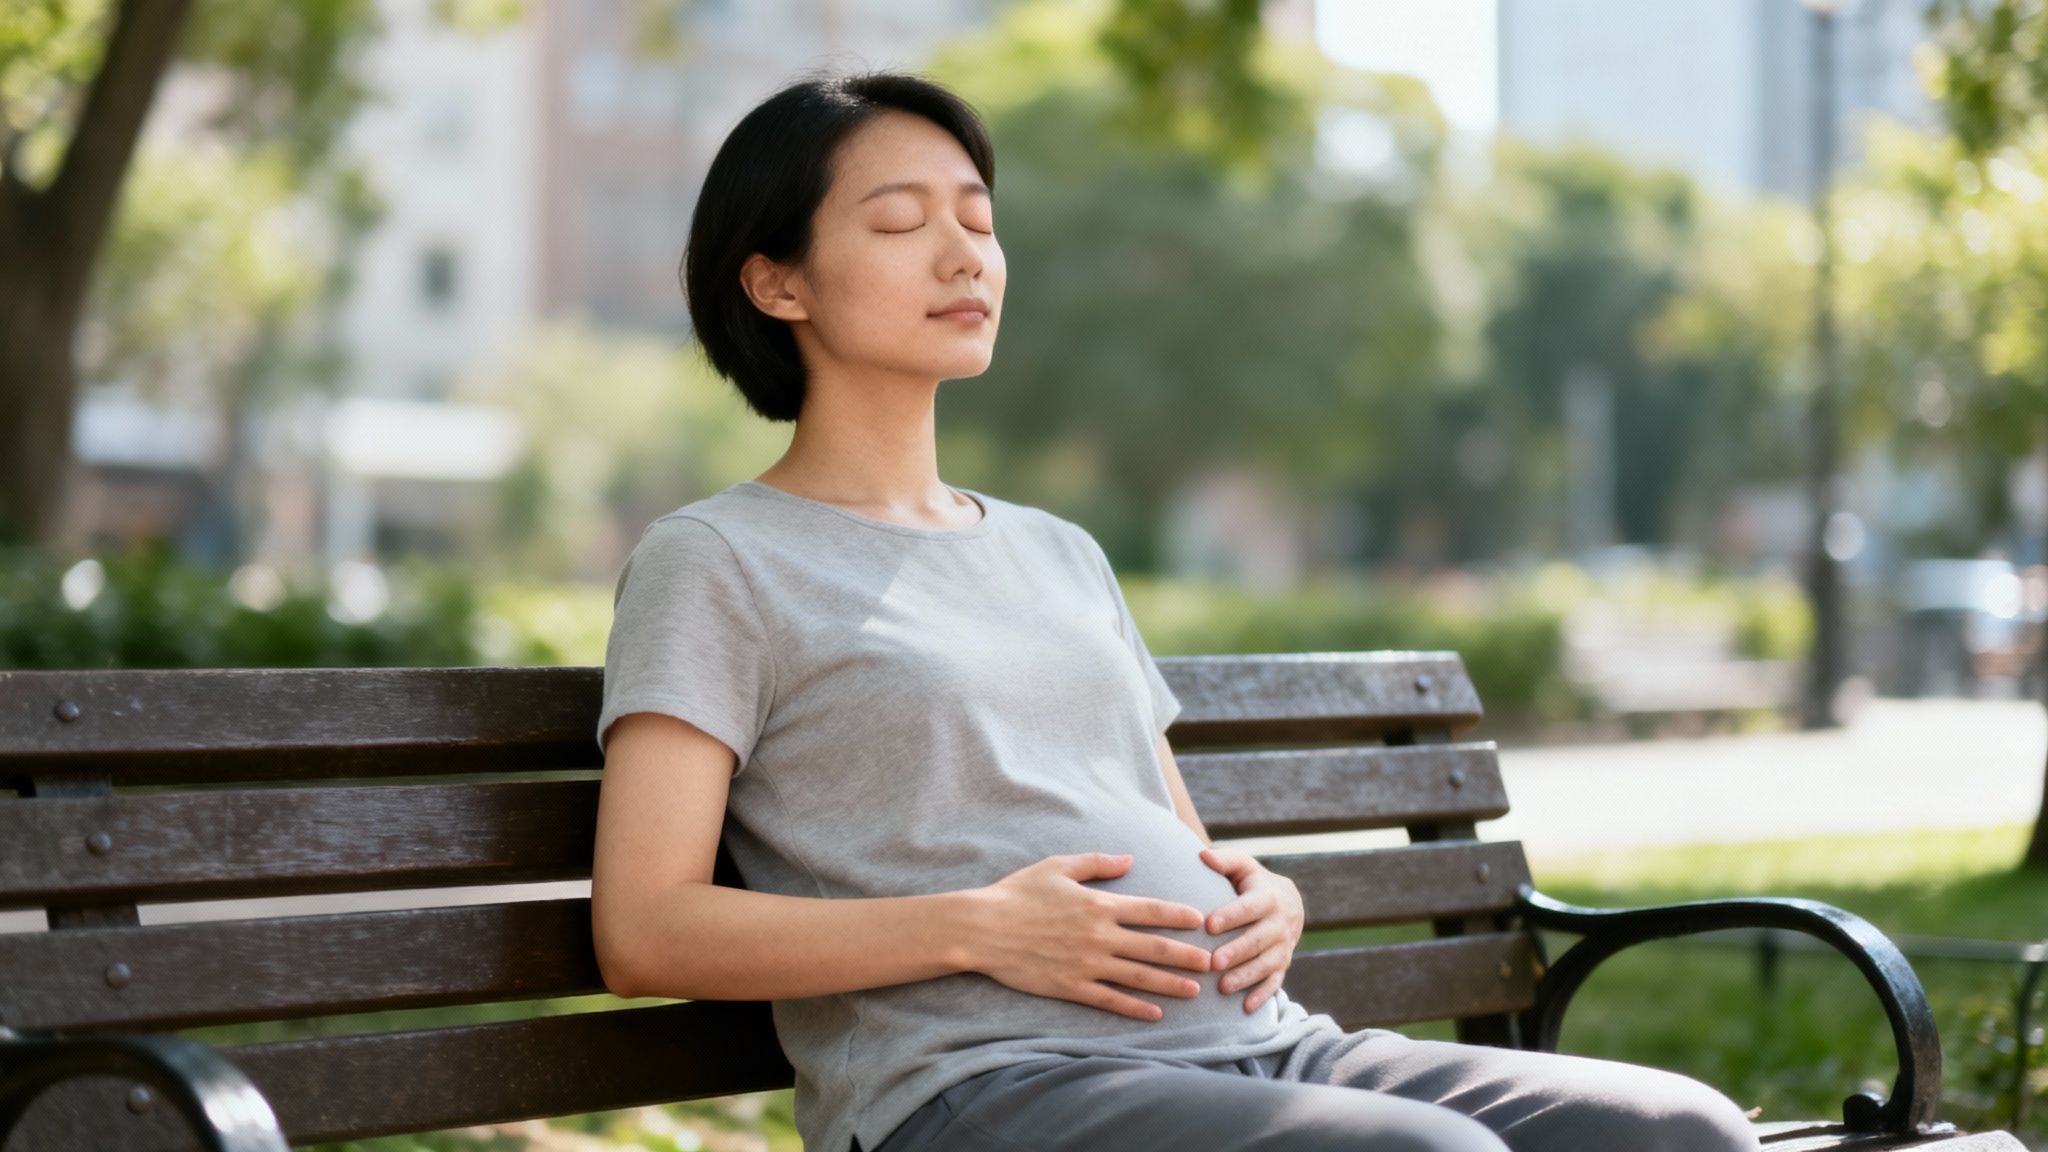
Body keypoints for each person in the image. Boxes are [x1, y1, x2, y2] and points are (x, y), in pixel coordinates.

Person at [589, 67, 1761, 1152]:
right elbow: (643, 929)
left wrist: (1262, 897)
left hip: (1264, 1044)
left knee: (1677, 1134)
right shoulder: (718, 561)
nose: (963, 256)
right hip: (984, 1085)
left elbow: (1178, 835)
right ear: (775, 279)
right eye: (901, 223)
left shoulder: (1057, 552)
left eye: (980, 222)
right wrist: (976, 929)